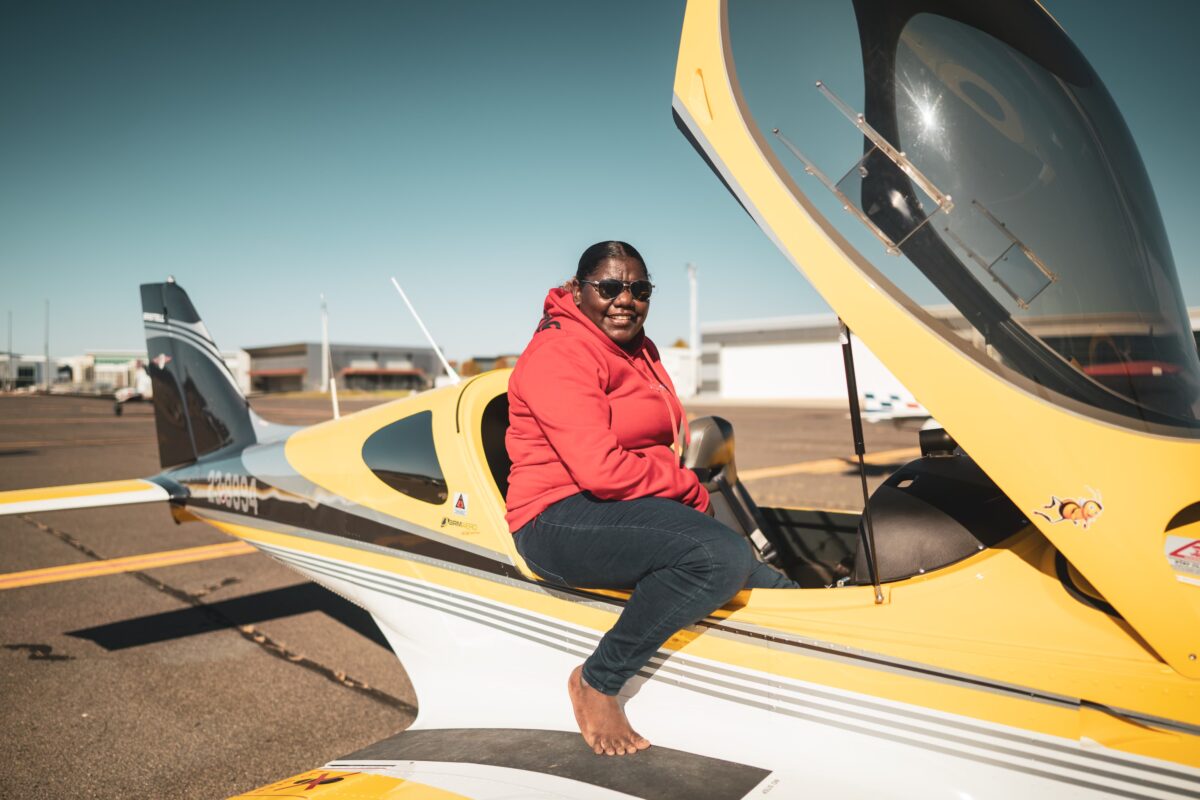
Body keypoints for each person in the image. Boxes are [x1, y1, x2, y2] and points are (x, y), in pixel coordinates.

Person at [505, 241, 797, 757]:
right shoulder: (559, 352)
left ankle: (818, 641)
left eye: (639, 289)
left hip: (617, 502)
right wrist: (685, 486)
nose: (626, 299)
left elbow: (652, 444)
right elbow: (599, 469)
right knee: (717, 555)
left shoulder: (638, 348)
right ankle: (597, 681)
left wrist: (677, 484)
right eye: (610, 287)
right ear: (577, 290)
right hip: (555, 516)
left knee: (767, 580)